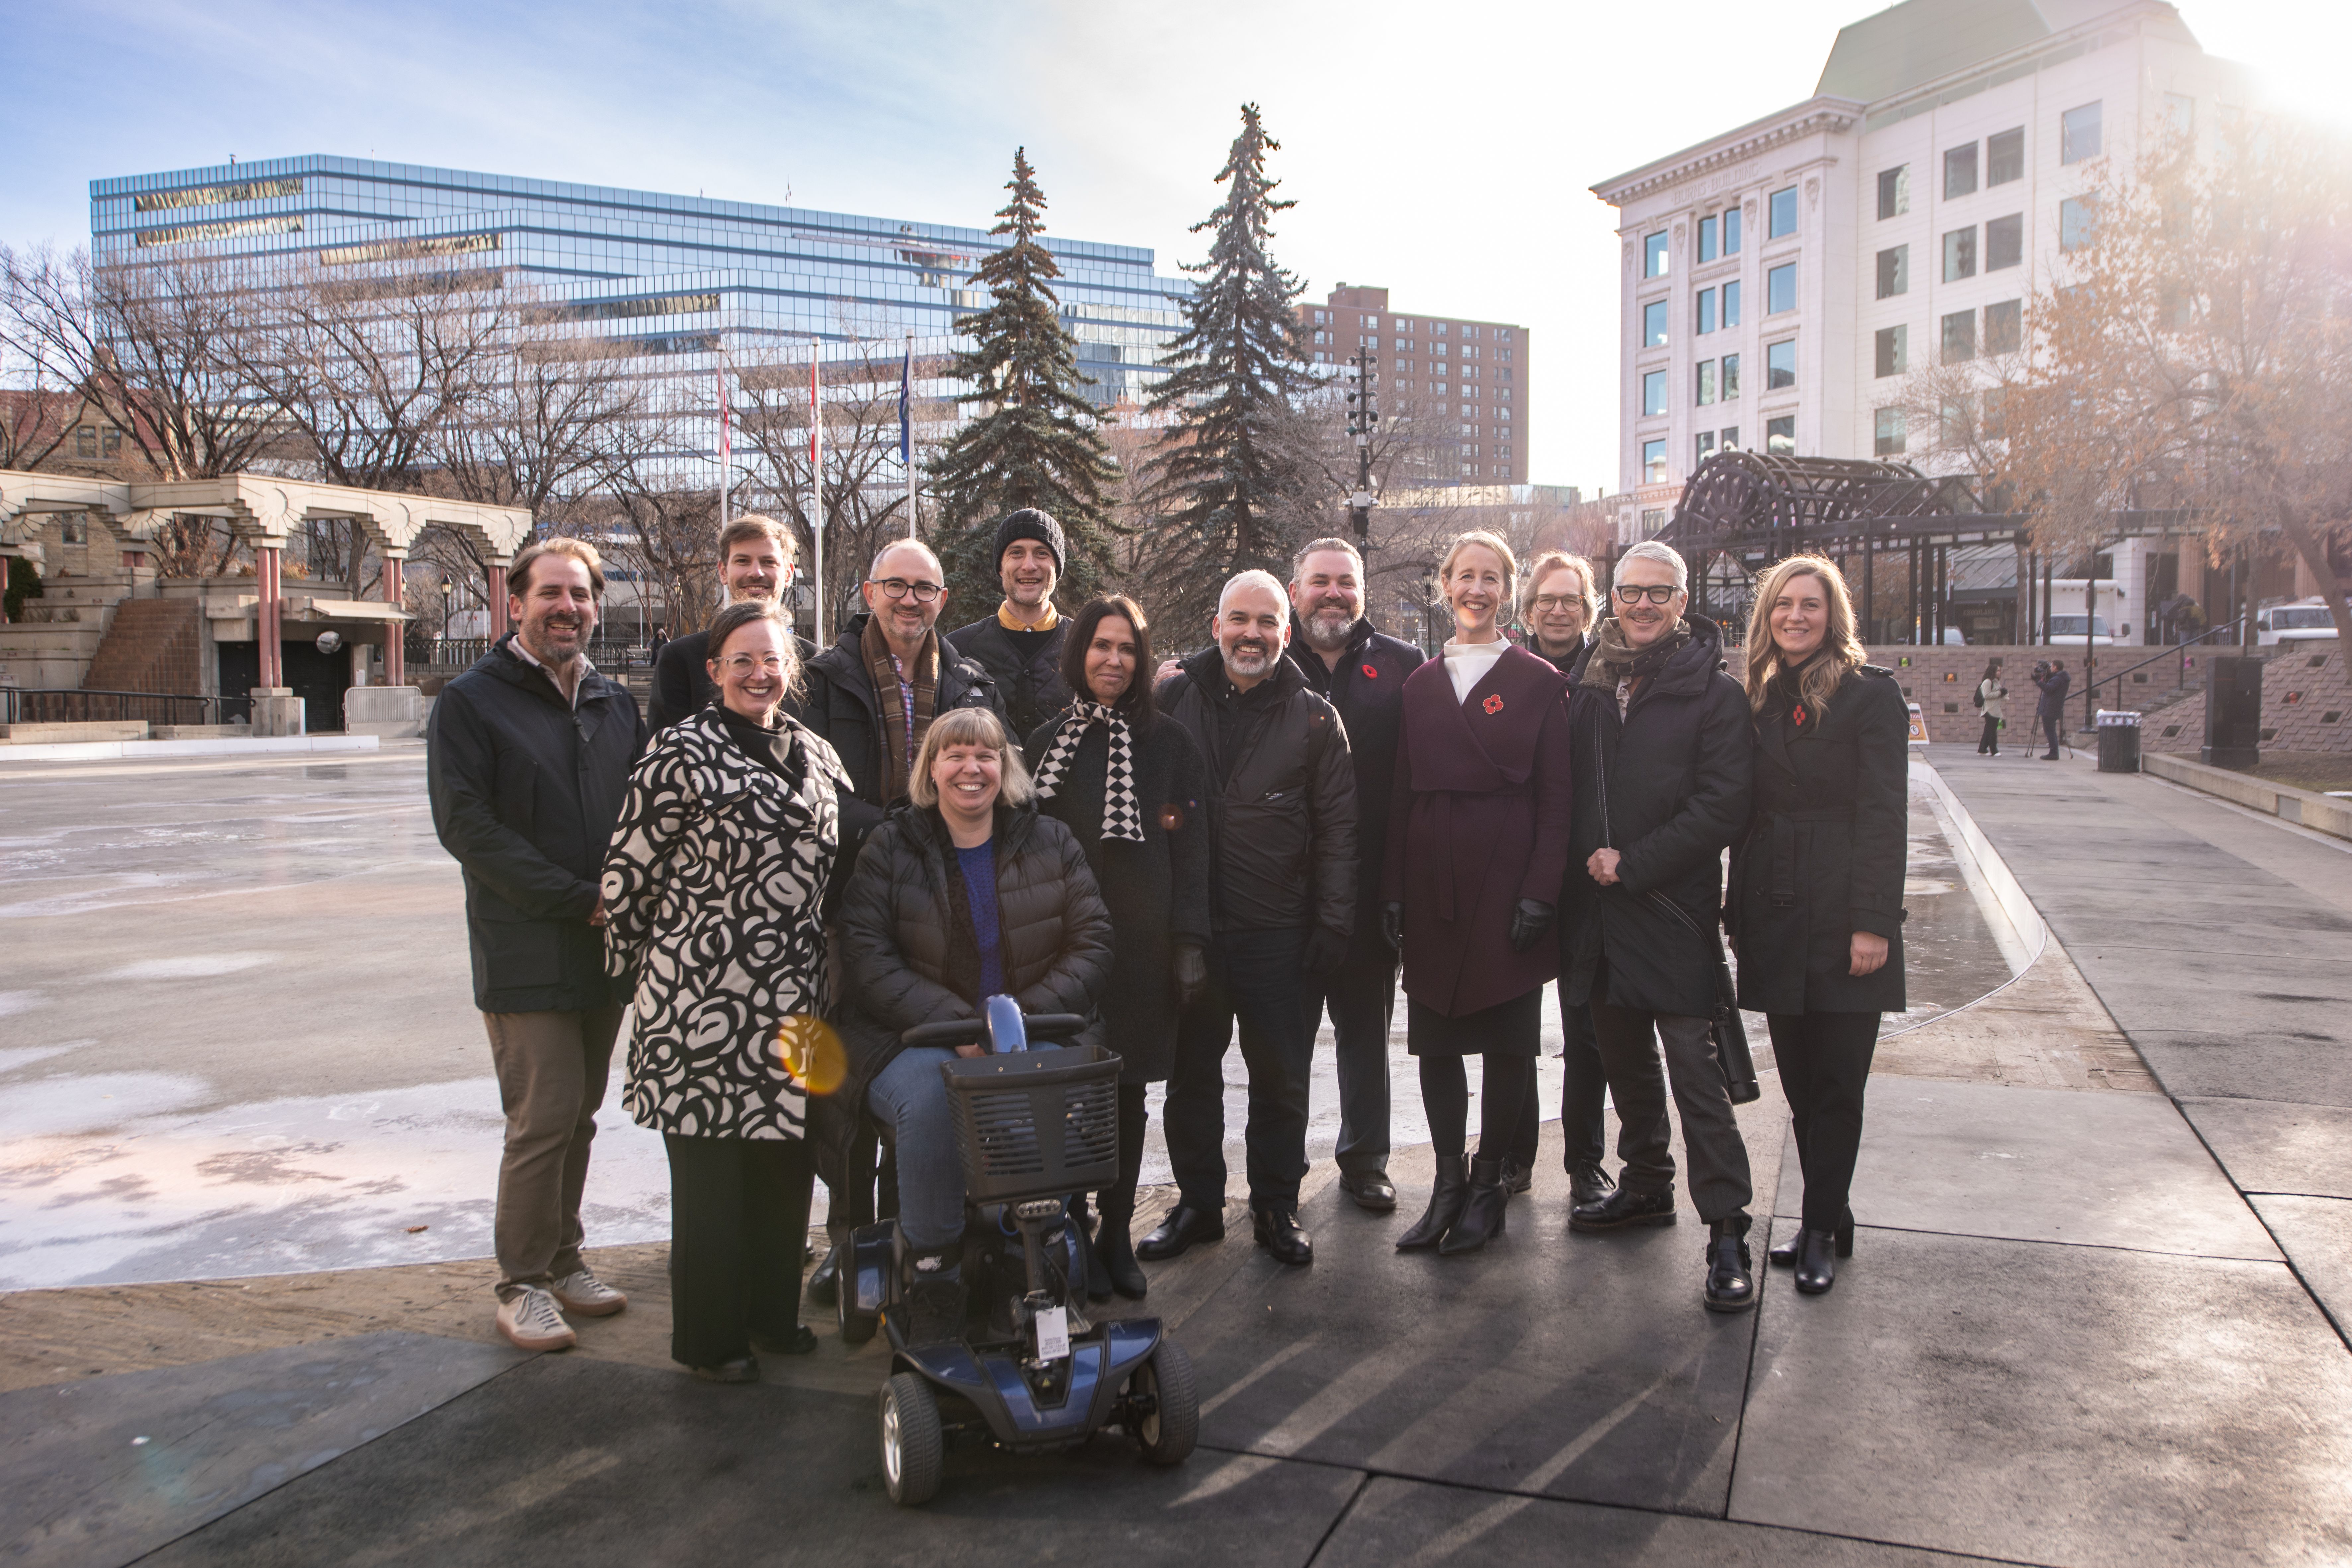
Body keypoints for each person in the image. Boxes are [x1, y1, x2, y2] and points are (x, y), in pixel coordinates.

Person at [600, 600, 853, 1380]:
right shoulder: (678, 752)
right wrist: (639, 976)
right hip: (701, 1000)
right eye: (741, 660)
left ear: (792, 669)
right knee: (712, 1181)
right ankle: (712, 1341)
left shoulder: (816, 753)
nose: (758, 673)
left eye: (772, 659)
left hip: (795, 1000)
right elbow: (627, 876)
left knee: (783, 1167)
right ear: (713, 670)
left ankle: (772, 1317)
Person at [426, 537, 647, 1352]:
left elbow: (644, 812)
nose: (568, 607)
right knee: (543, 1114)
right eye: (551, 593)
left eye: (581, 594)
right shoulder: (472, 701)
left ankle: (563, 1255)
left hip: (603, 945)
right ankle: (521, 1281)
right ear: (515, 603)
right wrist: (577, 898)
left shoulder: (613, 703)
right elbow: (467, 827)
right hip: (526, 944)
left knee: (579, 1115)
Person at [833, 707, 1114, 1345]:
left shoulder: (1052, 840)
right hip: (910, 1035)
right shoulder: (890, 846)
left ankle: (1030, 1262)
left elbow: (1093, 942)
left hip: (1032, 1026)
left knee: (1037, 1088)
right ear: (931, 769)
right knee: (936, 1099)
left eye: (986, 755)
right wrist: (960, 1026)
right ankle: (934, 1274)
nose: (971, 768)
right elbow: (867, 955)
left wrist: (1013, 1024)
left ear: (1005, 767)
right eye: (955, 754)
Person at [797, 537, 1003, 1305]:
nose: (910, 599)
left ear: (943, 600)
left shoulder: (971, 682)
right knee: (848, 1083)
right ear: (869, 591)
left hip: (945, 906)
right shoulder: (825, 680)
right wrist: (890, 829)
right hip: (846, 897)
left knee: (927, 1076)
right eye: (896, 585)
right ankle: (851, 1239)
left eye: (924, 588)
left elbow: (997, 771)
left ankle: (918, 1235)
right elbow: (809, 784)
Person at [1559, 540, 1759, 1314]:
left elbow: (1723, 806)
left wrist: (1633, 863)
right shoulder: (1589, 683)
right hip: (1599, 913)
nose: (1643, 605)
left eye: (1659, 592)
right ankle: (1646, 1183)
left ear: (1682, 602)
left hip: (1669, 910)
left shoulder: (1714, 693)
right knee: (1625, 1064)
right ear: (1612, 598)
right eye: (1630, 591)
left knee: (1695, 1077)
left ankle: (1728, 1229)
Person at [1142, 570, 1357, 1268]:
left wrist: (1332, 924)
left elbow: (1339, 830)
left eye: (1267, 622)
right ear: (1217, 626)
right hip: (1193, 932)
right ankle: (1199, 1204)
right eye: (1239, 619)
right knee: (1191, 1078)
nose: (1251, 634)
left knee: (1280, 1078)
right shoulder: (1172, 698)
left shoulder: (1315, 717)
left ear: (1286, 634)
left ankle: (1276, 1205)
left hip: (1279, 933)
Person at [1381, 532, 1575, 1255]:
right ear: (1445, 584)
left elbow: (1558, 799)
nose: (1477, 589)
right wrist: (1393, 889)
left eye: (1491, 577)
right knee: (1435, 1042)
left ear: (1508, 590)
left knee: (1507, 1042)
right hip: (1434, 880)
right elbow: (1401, 794)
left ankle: (1490, 1182)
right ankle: (1447, 1184)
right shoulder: (1420, 684)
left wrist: (1541, 891)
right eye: (1465, 575)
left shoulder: (1538, 682)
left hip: (1507, 878)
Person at [1728, 557, 1907, 1296]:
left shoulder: (1870, 695)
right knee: (1801, 1085)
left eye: (1810, 604)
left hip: (1841, 911)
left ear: (1833, 615)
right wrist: (1735, 914)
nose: (1795, 616)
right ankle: (1833, 1211)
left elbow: (1885, 815)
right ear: (1766, 615)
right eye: (1783, 604)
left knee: (1837, 1083)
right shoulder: (1759, 697)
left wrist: (1874, 923)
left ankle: (1819, 1230)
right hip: (1774, 909)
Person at [1024, 596, 1211, 1299]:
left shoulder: (1170, 742)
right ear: (1080, 654)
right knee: (1070, 1092)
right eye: (1101, 646)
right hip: (1059, 949)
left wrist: (1190, 940)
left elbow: (1193, 850)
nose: (1114, 659)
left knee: (1128, 1095)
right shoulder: (1046, 744)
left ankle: (1116, 1230)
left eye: (1127, 648)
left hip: (1142, 947)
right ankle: (1072, 1225)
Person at [1284, 537, 1424, 1214]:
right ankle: (1280, 1168)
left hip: (1369, 891)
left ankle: (1366, 1159)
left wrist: (1403, 887)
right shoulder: (1266, 657)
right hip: (1282, 889)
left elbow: (1416, 781)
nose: (1333, 593)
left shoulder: (1403, 665)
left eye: (1346, 581)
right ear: (1295, 592)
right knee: (1283, 1038)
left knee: (1365, 1033)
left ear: (1362, 592)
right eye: (1320, 581)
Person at [1512, 550, 1614, 1209]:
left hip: (1586, 875)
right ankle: (1512, 1155)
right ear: (1527, 609)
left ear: (1587, 609)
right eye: (1546, 599)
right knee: (1515, 1027)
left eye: (1570, 599)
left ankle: (1585, 1161)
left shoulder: (1606, 677)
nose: (1557, 610)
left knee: (1587, 1030)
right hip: (1518, 871)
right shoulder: (1507, 673)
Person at [646, 516, 809, 731]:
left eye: (768, 562)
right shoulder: (680, 661)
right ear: (723, 572)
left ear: (788, 574)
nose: (756, 572)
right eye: (743, 561)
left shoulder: (815, 662)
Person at [947, 509, 1075, 740]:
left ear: (1057, 567)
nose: (1029, 565)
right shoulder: (957, 650)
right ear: (1000, 567)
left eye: (1042, 553)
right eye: (1016, 553)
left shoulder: (1088, 644)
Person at [2034, 658, 2071, 759]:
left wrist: (2037, 681)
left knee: (2050, 731)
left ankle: (2054, 753)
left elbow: (2048, 689)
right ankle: (2054, 752)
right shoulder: (2062, 678)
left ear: (2055, 667)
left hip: (2050, 708)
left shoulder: (2058, 679)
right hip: (2054, 708)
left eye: (2052, 666)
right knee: (2051, 731)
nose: (2050, 668)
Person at [1975, 657, 2007, 755]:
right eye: (1998, 671)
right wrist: (2000, 693)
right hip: (1990, 710)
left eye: (2000, 671)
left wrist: (2003, 694)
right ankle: (1994, 750)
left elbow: (1997, 695)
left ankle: (1982, 750)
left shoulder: (1996, 682)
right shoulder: (1988, 682)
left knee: (1988, 731)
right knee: (1992, 731)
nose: (1999, 673)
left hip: (1996, 709)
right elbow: (1987, 695)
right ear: (1993, 671)